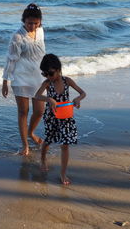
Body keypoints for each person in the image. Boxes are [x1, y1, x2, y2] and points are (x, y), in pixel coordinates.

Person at [35, 54, 86, 185]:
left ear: (58, 69)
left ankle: (63, 173)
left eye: (50, 73)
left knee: (65, 144)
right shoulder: (47, 83)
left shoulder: (67, 81)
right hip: (51, 117)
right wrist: (48, 99)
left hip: (66, 116)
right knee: (48, 140)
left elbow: (83, 93)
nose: (48, 76)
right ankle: (43, 159)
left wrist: (77, 99)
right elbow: (37, 96)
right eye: (44, 74)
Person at [2, 3, 45, 156]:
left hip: (39, 77)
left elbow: (42, 54)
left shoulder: (41, 32)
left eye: (35, 22)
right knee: (23, 112)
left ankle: (31, 133)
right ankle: (25, 145)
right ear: (23, 21)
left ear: (40, 21)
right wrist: (5, 81)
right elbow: (11, 60)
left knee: (40, 111)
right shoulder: (17, 37)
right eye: (29, 23)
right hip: (20, 78)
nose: (32, 26)